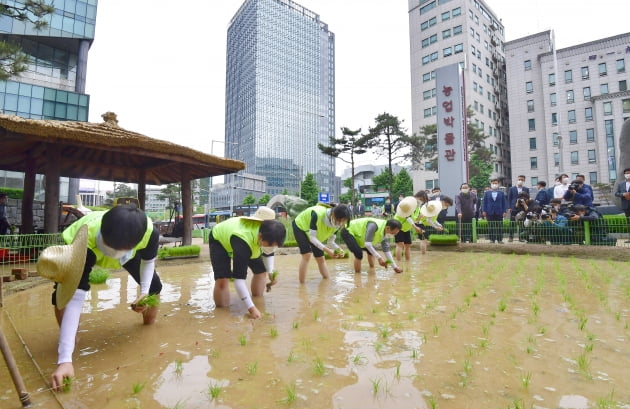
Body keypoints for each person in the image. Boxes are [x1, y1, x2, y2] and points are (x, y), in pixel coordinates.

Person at [36, 205, 163, 391]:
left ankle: (148, 326)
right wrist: (64, 361)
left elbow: (148, 262)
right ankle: (72, 339)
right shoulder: (84, 241)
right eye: (110, 247)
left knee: (154, 287)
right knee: (63, 295)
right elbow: (74, 297)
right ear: (103, 231)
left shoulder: (149, 234)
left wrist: (144, 292)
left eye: (120, 248)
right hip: (86, 249)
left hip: (129, 256)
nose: (113, 251)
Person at [209, 206, 286, 319]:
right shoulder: (243, 241)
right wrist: (251, 309)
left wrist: (270, 272)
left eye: (274, 246)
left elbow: (269, 252)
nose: (271, 248)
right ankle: (222, 315)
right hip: (219, 240)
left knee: (261, 272)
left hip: (250, 241)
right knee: (223, 279)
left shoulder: (271, 232)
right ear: (260, 237)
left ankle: (257, 299)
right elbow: (239, 281)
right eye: (269, 245)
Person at [293, 203, 351, 283]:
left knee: (321, 258)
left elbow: (331, 242)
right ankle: (302, 287)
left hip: (314, 235)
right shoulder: (317, 214)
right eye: (339, 220)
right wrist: (328, 251)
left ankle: (327, 281)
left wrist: (339, 249)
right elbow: (312, 238)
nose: (341, 223)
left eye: (343, 221)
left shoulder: (338, 225)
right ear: (333, 214)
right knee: (307, 255)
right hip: (300, 227)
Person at [393, 195, 423, 261]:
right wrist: (415, 227)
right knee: (400, 244)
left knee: (408, 245)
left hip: (406, 228)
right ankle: (398, 264)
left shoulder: (418, 208)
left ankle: (408, 263)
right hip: (398, 226)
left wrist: (419, 218)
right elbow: (408, 217)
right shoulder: (408, 205)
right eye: (421, 199)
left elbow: (414, 219)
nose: (421, 201)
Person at [482, 179, 507, 243]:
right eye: (493, 183)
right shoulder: (487, 193)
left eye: (496, 183)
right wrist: (484, 211)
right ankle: (492, 239)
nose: (494, 184)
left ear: (498, 184)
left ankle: (499, 240)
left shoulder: (501, 193)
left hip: (499, 212)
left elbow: (504, 203)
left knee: (499, 226)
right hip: (489, 212)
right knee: (491, 226)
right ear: (491, 184)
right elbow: (484, 203)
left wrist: (504, 211)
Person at [507, 175, 529, 242]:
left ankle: (521, 237)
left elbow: (528, 198)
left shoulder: (526, 189)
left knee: (521, 223)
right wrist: (509, 207)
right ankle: (511, 237)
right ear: (517, 180)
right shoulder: (511, 189)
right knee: (512, 223)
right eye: (519, 179)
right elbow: (509, 198)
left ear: (524, 181)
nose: (520, 181)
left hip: (522, 208)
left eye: (522, 180)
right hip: (513, 208)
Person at [614, 167, 630, 242]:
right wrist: (623, 194)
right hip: (626, 205)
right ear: (624, 174)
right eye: (626, 173)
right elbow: (616, 193)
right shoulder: (621, 184)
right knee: (628, 221)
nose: (628, 175)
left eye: (629, 173)